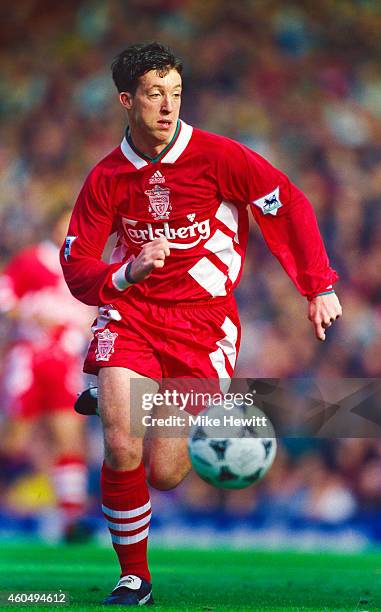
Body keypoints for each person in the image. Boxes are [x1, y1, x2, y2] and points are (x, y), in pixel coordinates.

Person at [60, 42, 342, 605]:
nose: (168, 106)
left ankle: (114, 397)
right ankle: (134, 578)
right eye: (154, 94)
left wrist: (319, 285)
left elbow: (287, 202)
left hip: (203, 325)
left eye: (176, 94)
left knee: (164, 472)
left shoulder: (218, 157)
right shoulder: (106, 178)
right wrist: (124, 273)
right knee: (121, 444)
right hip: (132, 315)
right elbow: (77, 265)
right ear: (126, 100)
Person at [0, 206, 93, 539]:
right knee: (15, 442)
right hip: (29, 358)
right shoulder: (31, 260)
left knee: (69, 437)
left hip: (65, 361)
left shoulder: (89, 265)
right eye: (65, 222)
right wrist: (28, 314)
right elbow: (5, 296)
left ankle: (72, 519)